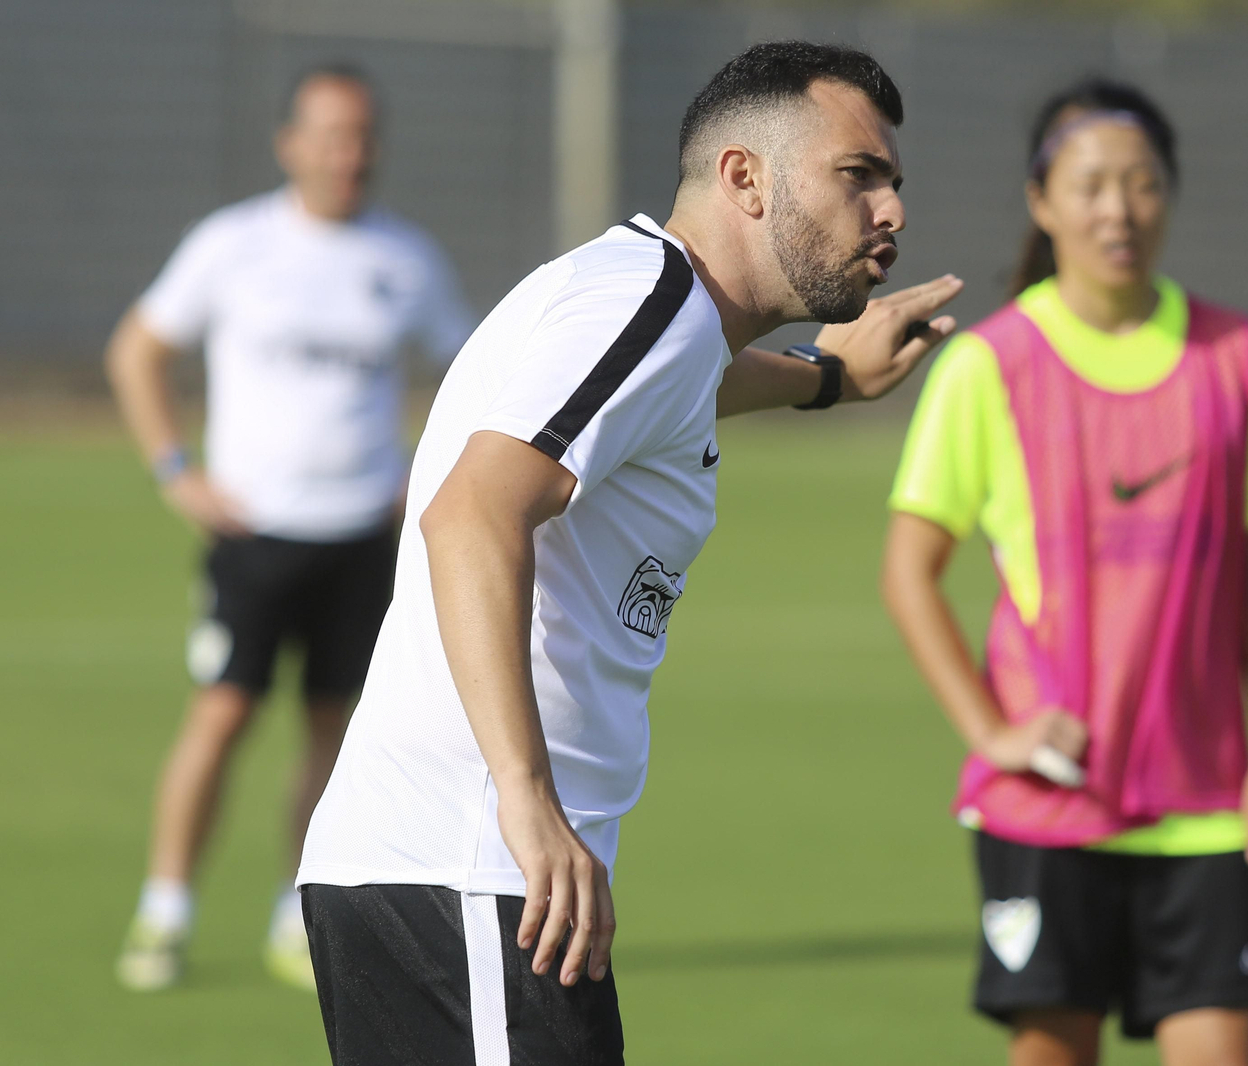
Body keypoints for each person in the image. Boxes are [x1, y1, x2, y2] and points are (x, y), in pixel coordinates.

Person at [296, 42, 962, 1065]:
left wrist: (826, 380)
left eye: (892, 182)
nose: (892, 211)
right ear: (745, 177)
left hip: (457, 874)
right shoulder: (643, 305)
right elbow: (469, 515)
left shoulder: (655, 312)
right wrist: (525, 799)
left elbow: (679, 388)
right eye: (857, 175)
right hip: (473, 867)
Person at [882, 78, 1248, 1066]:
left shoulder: (1239, 355)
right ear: (1042, 201)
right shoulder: (989, 365)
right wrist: (992, 731)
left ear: (1170, 193)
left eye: (1142, 183)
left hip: (1209, 809)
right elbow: (908, 573)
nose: (1118, 209)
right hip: (1048, 806)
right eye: (1089, 186)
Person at [105, 62, 477, 992]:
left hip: (363, 536)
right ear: (291, 144)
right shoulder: (233, 245)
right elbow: (138, 349)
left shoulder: (406, 258)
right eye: (331, 135)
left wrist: (420, 476)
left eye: (363, 136)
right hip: (255, 535)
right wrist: (175, 471)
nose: (350, 154)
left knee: (333, 730)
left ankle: (294, 915)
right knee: (223, 712)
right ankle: (164, 910)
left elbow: (472, 374)